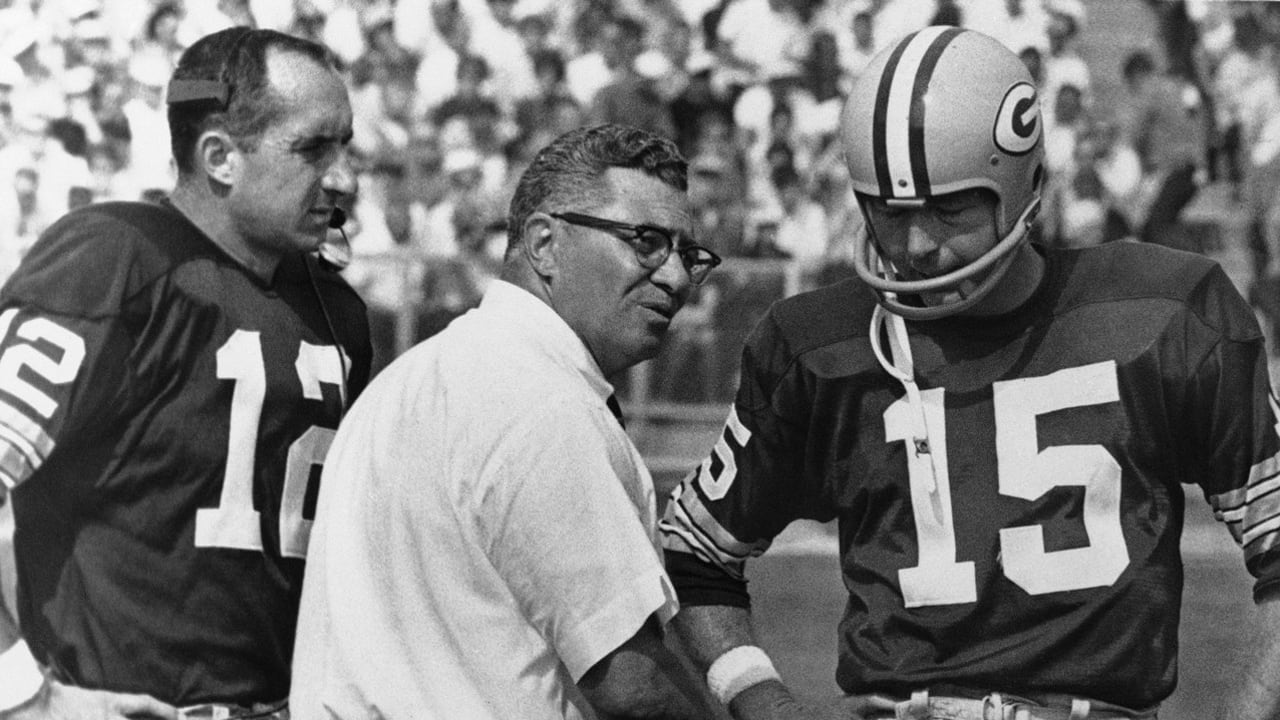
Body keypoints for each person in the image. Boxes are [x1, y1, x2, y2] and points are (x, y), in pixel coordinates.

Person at [659, 26, 1280, 720]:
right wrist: (764, 702)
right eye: (891, 213)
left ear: (1026, 184)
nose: (918, 244)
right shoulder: (816, 345)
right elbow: (691, 553)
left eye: (950, 207)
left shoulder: (1162, 310)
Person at [289, 123, 722, 720]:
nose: (675, 277)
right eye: (645, 240)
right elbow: (636, 688)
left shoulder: (404, 382)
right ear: (544, 243)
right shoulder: (546, 402)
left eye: (688, 255)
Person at [0, 26, 371, 720]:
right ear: (220, 156)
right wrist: (24, 698)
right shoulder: (111, 259)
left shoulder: (336, 310)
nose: (345, 177)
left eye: (347, 146)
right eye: (314, 148)